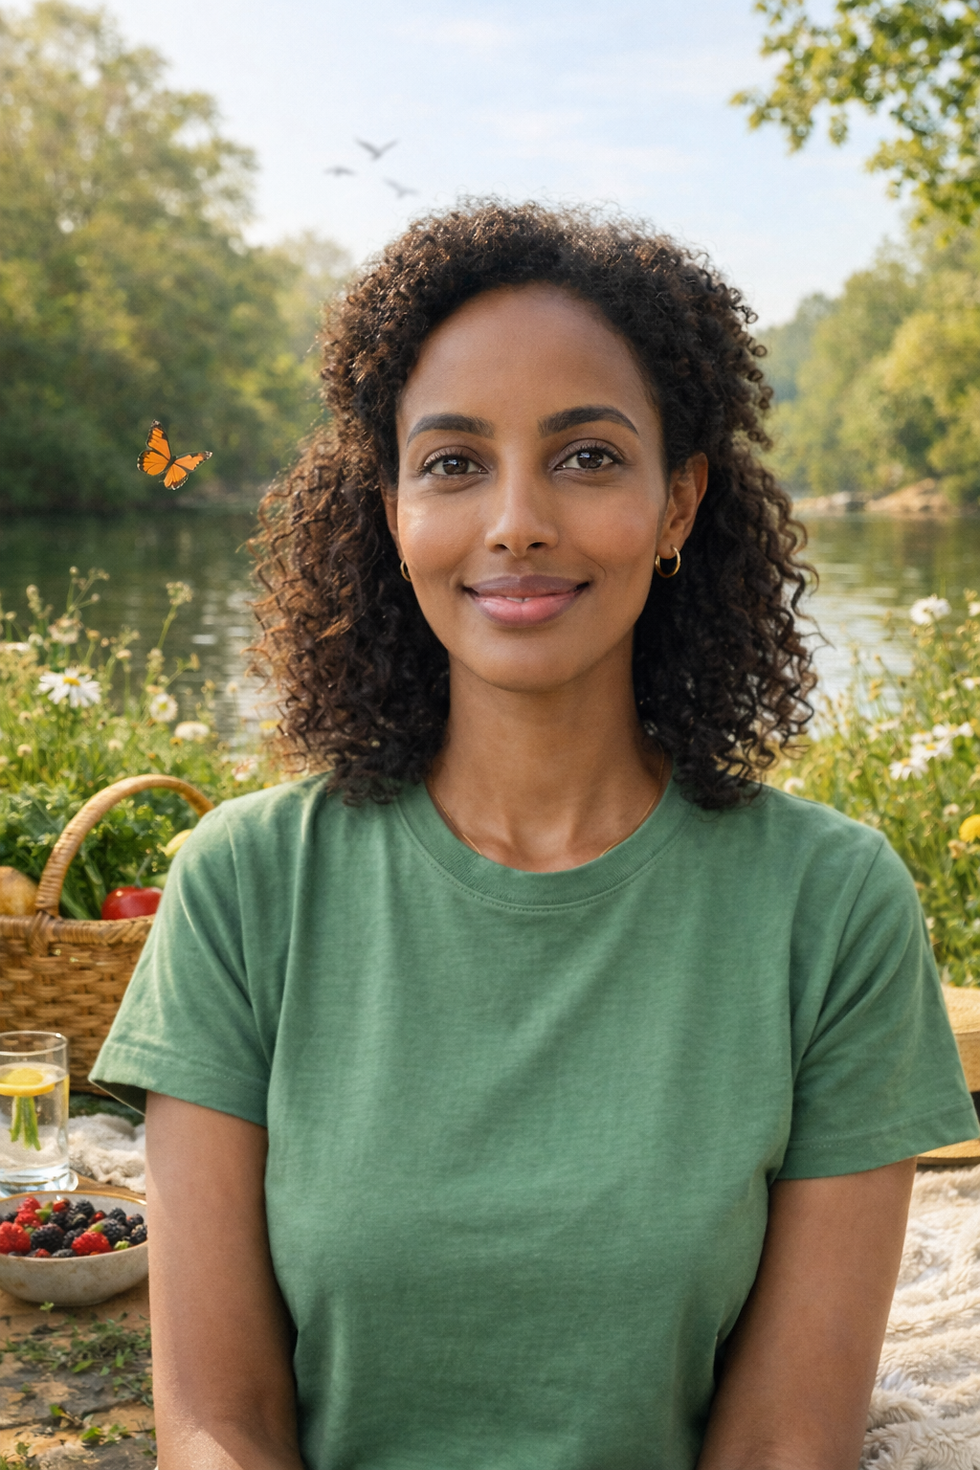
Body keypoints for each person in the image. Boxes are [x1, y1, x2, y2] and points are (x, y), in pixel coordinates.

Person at [93, 202, 978, 1470]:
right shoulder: (244, 885)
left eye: (587, 457)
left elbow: (788, 1439)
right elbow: (215, 1423)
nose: (515, 520)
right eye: (454, 462)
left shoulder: (829, 907)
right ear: (390, 509)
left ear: (677, 504)